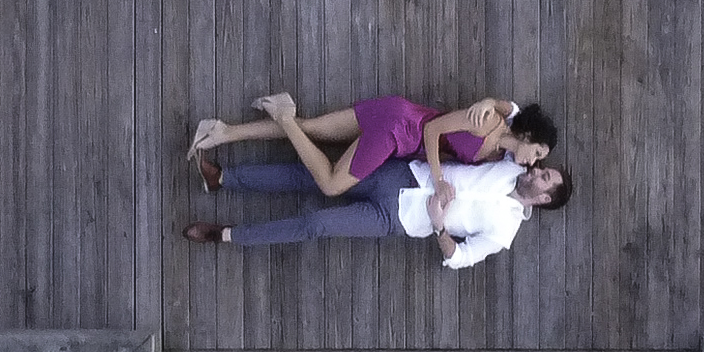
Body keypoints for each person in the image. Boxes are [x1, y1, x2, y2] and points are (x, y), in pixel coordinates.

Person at [182, 131, 573, 267]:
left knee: (316, 225)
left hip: (396, 219)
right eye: (542, 167)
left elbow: (458, 259)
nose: (537, 172)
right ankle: (225, 179)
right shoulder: (510, 166)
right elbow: (510, 117)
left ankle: (228, 235)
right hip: (403, 173)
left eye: (544, 178)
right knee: (314, 177)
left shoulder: (504, 232)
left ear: (542, 200)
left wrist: (439, 224)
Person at [187, 93, 556, 198]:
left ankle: (224, 132)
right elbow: (433, 133)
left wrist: (501, 101)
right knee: (331, 185)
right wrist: (440, 178)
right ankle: (282, 114)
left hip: (394, 111)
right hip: (401, 132)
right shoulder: (487, 122)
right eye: (537, 153)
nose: (532, 162)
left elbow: (516, 108)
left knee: (309, 130)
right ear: (528, 137)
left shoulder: (498, 145)